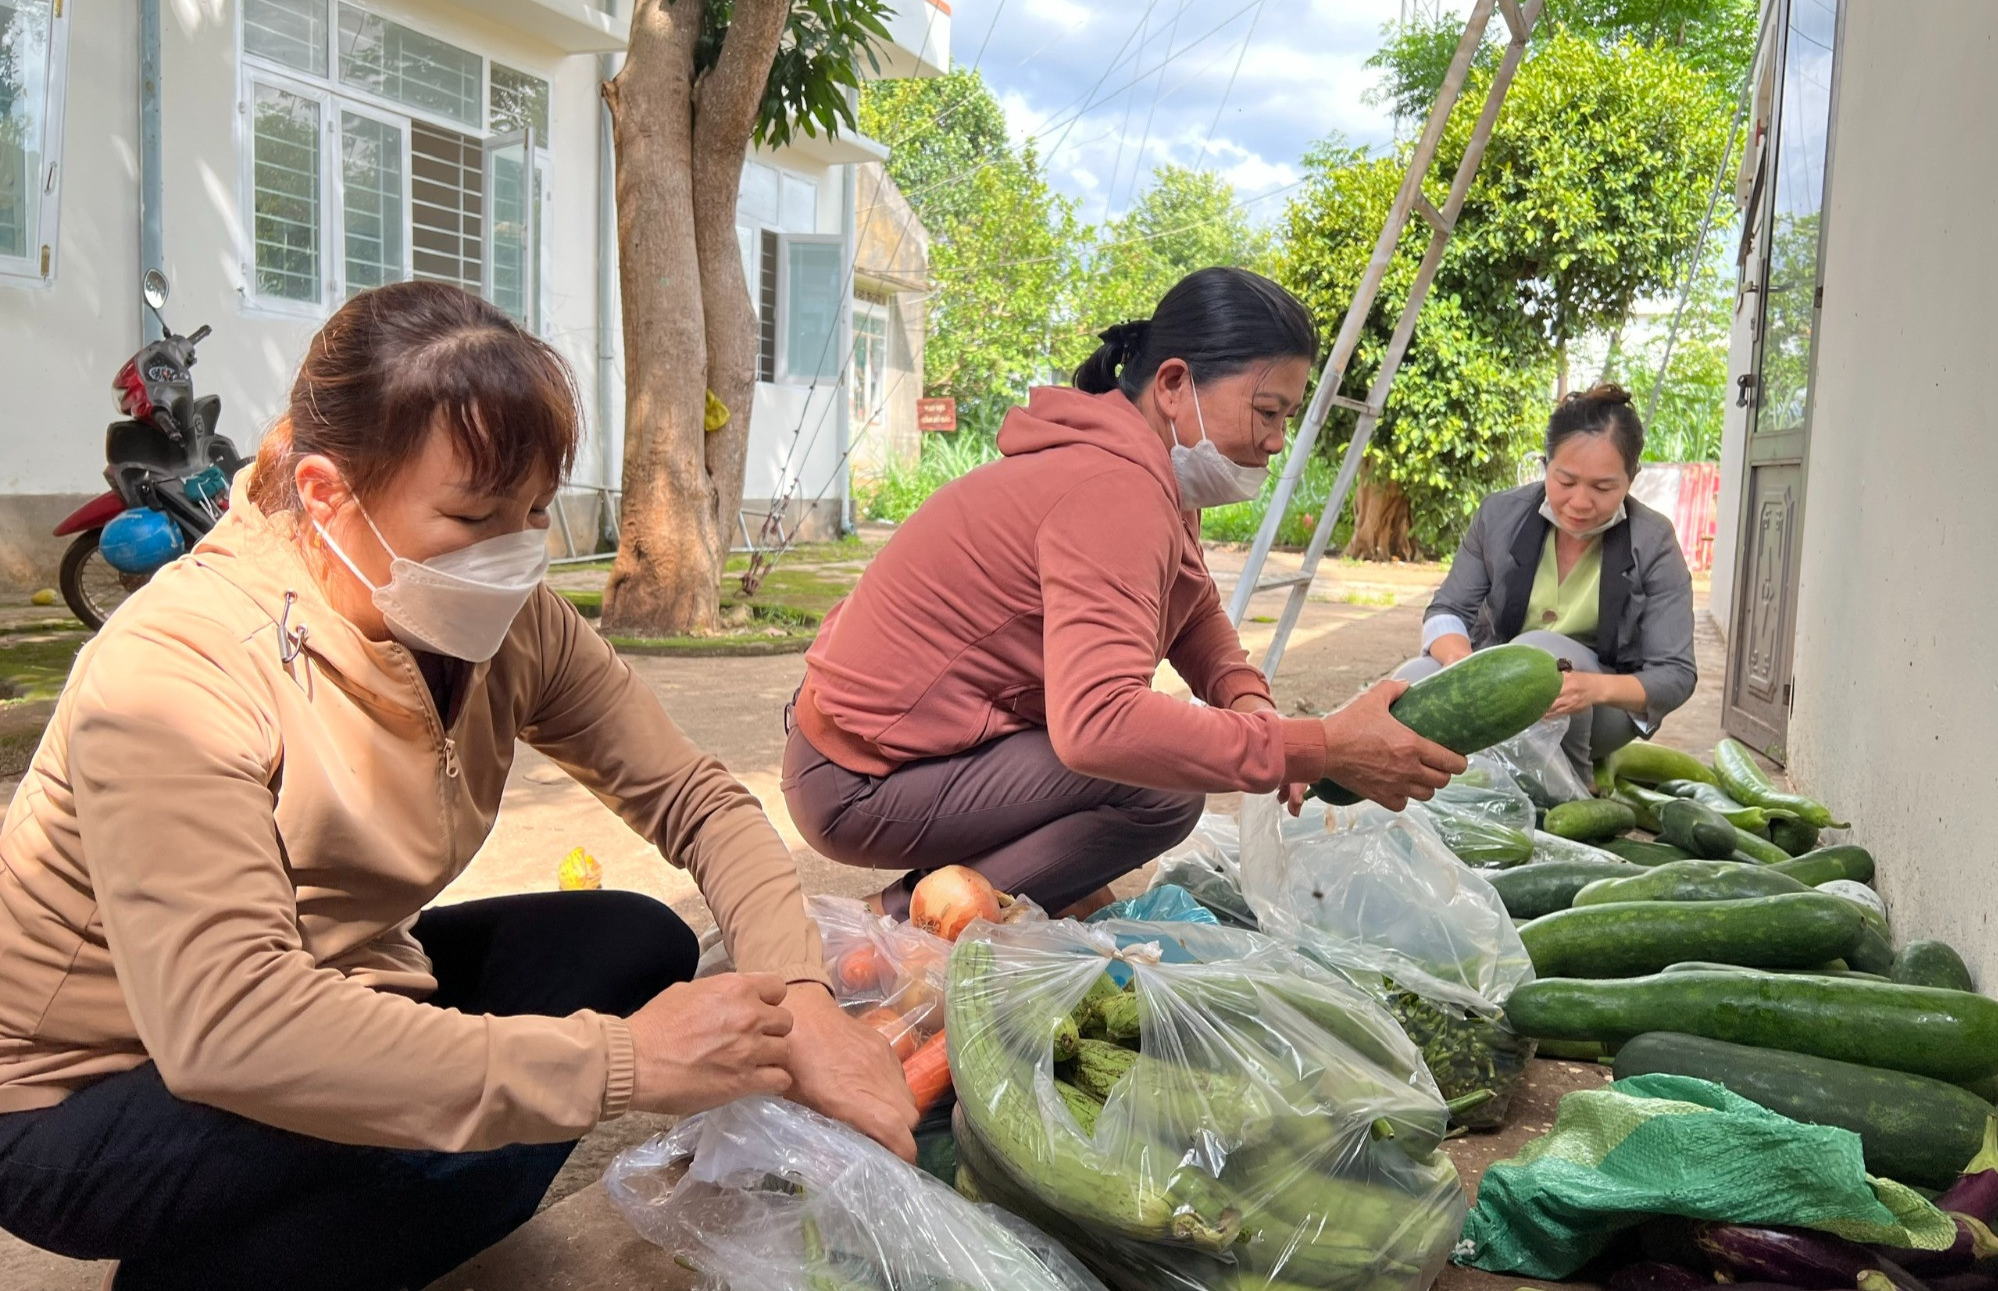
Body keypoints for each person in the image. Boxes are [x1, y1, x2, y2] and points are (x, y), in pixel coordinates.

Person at [0, 283, 915, 1289]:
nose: (512, 556)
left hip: (336, 977)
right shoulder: (180, 665)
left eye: (531, 514)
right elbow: (232, 1027)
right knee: (457, 1115)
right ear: (326, 491)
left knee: (635, 945)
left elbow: (697, 799)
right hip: (83, 1092)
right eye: (473, 515)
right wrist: (622, 1064)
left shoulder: (517, 619)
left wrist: (803, 1003)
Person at [783, 267, 1467, 920]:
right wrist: (1314, 746)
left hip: (891, 749)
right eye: (1266, 410)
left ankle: (1016, 894)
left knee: (1151, 759)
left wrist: (1259, 711)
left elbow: (1195, 613)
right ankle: (901, 922)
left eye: (1286, 416)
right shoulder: (1117, 491)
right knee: (1160, 789)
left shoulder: (1148, 472)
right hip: (857, 779)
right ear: (1174, 383)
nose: (1274, 441)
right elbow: (1100, 723)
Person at [1399, 383, 1698, 778]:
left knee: (1539, 655)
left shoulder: (1654, 540)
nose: (1580, 502)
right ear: (1546, 466)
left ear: (1631, 478)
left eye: (1603, 487)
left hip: (1601, 708)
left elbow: (1675, 674)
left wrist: (1590, 688)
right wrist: (1461, 667)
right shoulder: (1500, 516)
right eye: (1566, 481)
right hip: (1500, 685)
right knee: (1410, 685)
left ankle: (1567, 791)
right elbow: (1448, 610)